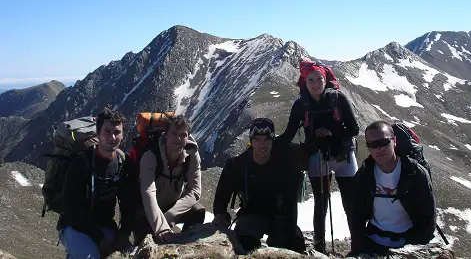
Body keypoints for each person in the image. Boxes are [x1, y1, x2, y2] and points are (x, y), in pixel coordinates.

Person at [277, 61, 360, 253]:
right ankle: (319, 247)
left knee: (351, 202)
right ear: (304, 82)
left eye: (319, 79)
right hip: (319, 155)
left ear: (326, 79)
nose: (315, 83)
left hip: (343, 154)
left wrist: (331, 132)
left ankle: (357, 245)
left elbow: (354, 129)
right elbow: (289, 133)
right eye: (311, 80)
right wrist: (266, 142)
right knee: (321, 204)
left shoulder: (338, 99)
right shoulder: (300, 104)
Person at [212, 118, 305, 253]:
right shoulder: (237, 165)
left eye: (266, 140)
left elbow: (291, 202)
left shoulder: (285, 166)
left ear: (273, 141)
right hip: (250, 215)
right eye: (257, 140)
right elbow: (222, 194)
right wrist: (220, 214)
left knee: (295, 244)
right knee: (246, 245)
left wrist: (289, 232)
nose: (262, 145)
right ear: (251, 141)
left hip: (279, 216)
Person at [349, 121, 436, 256]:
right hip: (373, 243)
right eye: (372, 145)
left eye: (384, 142)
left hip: (408, 245)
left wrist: (416, 246)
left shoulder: (415, 173)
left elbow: (428, 215)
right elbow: (357, 216)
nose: (379, 149)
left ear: (394, 141)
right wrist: (358, 248)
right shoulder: (364, 175)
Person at [57, 108, 132, 259]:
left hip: (105, 226)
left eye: (117, 132)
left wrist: (123, 233)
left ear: (123, 135)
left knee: (130, 254)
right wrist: (99, 239)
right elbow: (71, 211)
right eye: (107, 131)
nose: (112, 137)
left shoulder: (122, 163)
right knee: (91, 256)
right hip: (73, 226)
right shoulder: (82, 162)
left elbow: (127, 203)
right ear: (98, 134)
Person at [134, 114, 205, 244]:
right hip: (147, 210)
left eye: (183, 135)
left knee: (198, 211)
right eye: (174, 133)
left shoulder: (192, 155)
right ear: (165, 134)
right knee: (146, 244)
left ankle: (185, 245)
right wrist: (161, 227)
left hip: (172, 205)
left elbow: (195, 191)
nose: (178, 139)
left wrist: (171, 215)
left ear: (188, 137)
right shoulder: (151, 156)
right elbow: (148, 192)